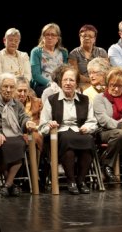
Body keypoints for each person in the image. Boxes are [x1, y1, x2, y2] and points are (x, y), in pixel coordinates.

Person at [38, 65, 98, 195]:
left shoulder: (85, 100)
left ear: (76, 83)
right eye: (65, 80)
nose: (68, 83)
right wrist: (50, 124)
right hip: (59, 134)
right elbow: (42, 126)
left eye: (71, 80)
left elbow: (92, 121)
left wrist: (87, 127)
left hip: (79, 131)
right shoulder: (51, 100)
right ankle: (71, 180)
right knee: (67, 139)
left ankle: (81, 181)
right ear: (60, 82)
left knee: (88, 140)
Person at [0, 73, 36, 197]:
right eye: (5, 86)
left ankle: (7, 184)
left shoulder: (17, 104)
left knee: (20, 144)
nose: (8, 90)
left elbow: (23, 117)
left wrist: (28, 123)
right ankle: (11, 184)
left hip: (14, 135)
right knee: (3, 145)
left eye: (12, 87)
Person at [30, 23, 68, 97]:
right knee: (53, 93)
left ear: (58, 38)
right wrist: (50, 83)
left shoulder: (63, 52)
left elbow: (66, 71)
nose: (50, 37)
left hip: (60, 84)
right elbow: (36, 75)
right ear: (43, 37)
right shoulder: (36, 52)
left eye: (53, 35)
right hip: (42, 85)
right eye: (47, 34)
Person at [68, 24, 108, 92]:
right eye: (84, 36)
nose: (87, 38)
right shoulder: (73, 54)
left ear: (94, 39)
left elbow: (106, 70)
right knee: (91, 91)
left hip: (101, 83)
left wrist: (98, 81)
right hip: (82, 84)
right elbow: (75, 74)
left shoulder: (102, 52)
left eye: (90, 36)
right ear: (80, 37)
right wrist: (92, 81)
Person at [15, 76, 44, 153]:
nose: (23, 94)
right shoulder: (9, 103)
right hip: (17, 132)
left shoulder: (38, 102)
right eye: (20, 91)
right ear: (14, 90)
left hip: (35, 131)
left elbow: (43, 121)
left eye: (25, 91)